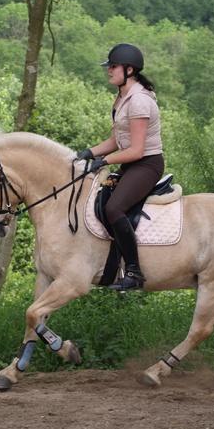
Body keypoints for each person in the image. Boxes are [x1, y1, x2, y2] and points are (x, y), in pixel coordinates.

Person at [77, 43, 164, 291]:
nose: (109, 71)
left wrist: (104, 161)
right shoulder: (123, 97)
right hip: (131, 163)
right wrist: (88, 152)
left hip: (146, 165)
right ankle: (114, 263)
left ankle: (135, 272)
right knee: (102, 200)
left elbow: (136, 150)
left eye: (113, 66)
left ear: (129, 69)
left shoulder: (139, 101)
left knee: (115, 208)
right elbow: (118, 141)